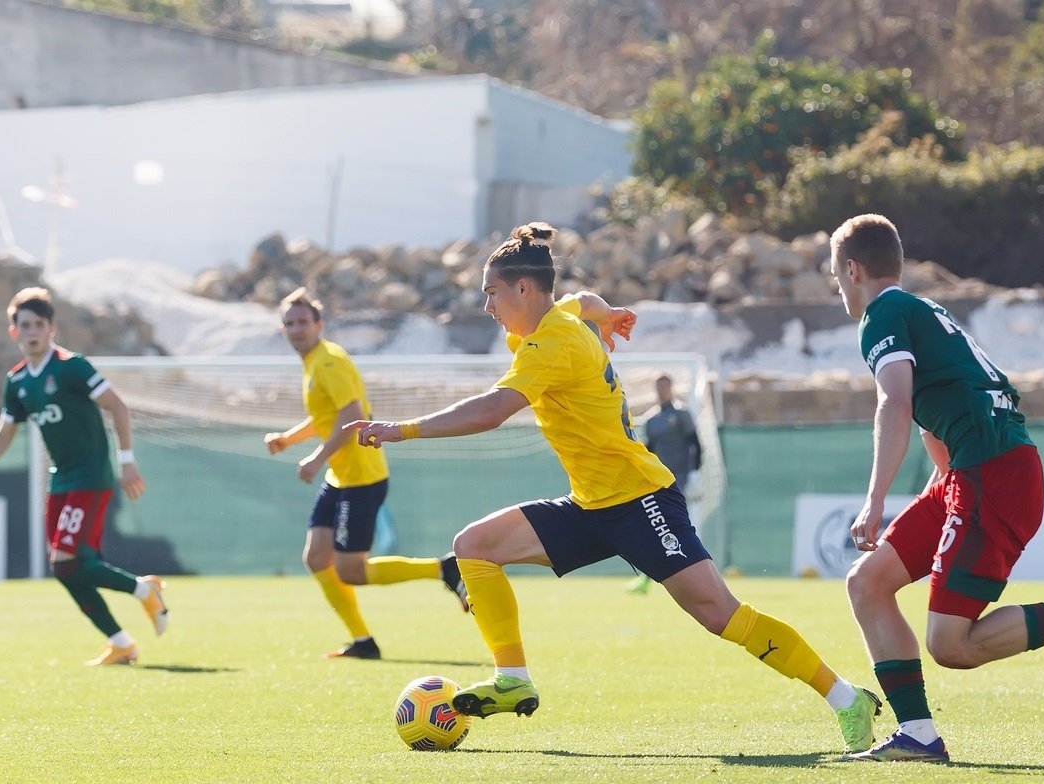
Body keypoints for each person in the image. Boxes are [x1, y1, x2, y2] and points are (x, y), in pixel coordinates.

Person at [345, 222, 882, 753]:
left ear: (524, 288)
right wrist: (609, 315)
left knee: (721, 614)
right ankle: (513, 679)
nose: (487, 306)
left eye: (492, 293)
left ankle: (845, 698)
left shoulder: (550, 342)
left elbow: (491, 411)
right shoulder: (559, 317)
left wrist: (401, 429)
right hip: (591, 505)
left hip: (641, 501)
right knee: (474, 546)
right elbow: (584, 300)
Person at [828, 214, 1044, 763]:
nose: (839, 287)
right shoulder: (924, 311)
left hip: (991, 475)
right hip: (975, 472)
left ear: (853, 269)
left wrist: (875, 500)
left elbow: (897, 402)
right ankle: (919, 736)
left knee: (950, 645)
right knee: (867, 583)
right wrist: (940, 483)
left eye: (837, 275)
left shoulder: (881, 314)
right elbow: (939, 407)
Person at [0, 287, 169, 666]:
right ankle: (121, 642)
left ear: (51, 328)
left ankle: (143, 591)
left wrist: (127, 460)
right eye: (25, 325)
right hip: (62, 478)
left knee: (66, 560)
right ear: (14, 332)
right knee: (64, 568)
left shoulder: (72, 367)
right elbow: (5, 431)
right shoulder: (17, 381)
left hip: (91, 475)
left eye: (39, 324)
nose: (32, 331)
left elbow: (118, 406)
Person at [264, 287, 468, 660]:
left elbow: (351, 415)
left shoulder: (329, 361)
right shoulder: (313, 362)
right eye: (289, 323)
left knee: (351, 572)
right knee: (316, 558)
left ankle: (444, 569)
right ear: (283, 329)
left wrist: (316, 458)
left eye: (303, 322)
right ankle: (362, 641)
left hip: (361, 476)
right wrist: (288, 439)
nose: (296, 329)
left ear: (319, 325)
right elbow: (326, 417)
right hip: (340, 477)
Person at [626, 373, 703, 594]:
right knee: (658, 526)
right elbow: (648, 451)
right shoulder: (652, 420)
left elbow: (696, 444)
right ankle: (650, 578)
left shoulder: (682, 415)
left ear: (671, 388)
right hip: (658, 481)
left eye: (665, 387)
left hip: (680, 479)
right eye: (659, 387)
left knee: (677, 526)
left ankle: (695, 576)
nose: (662, 391)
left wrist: (695, 472)